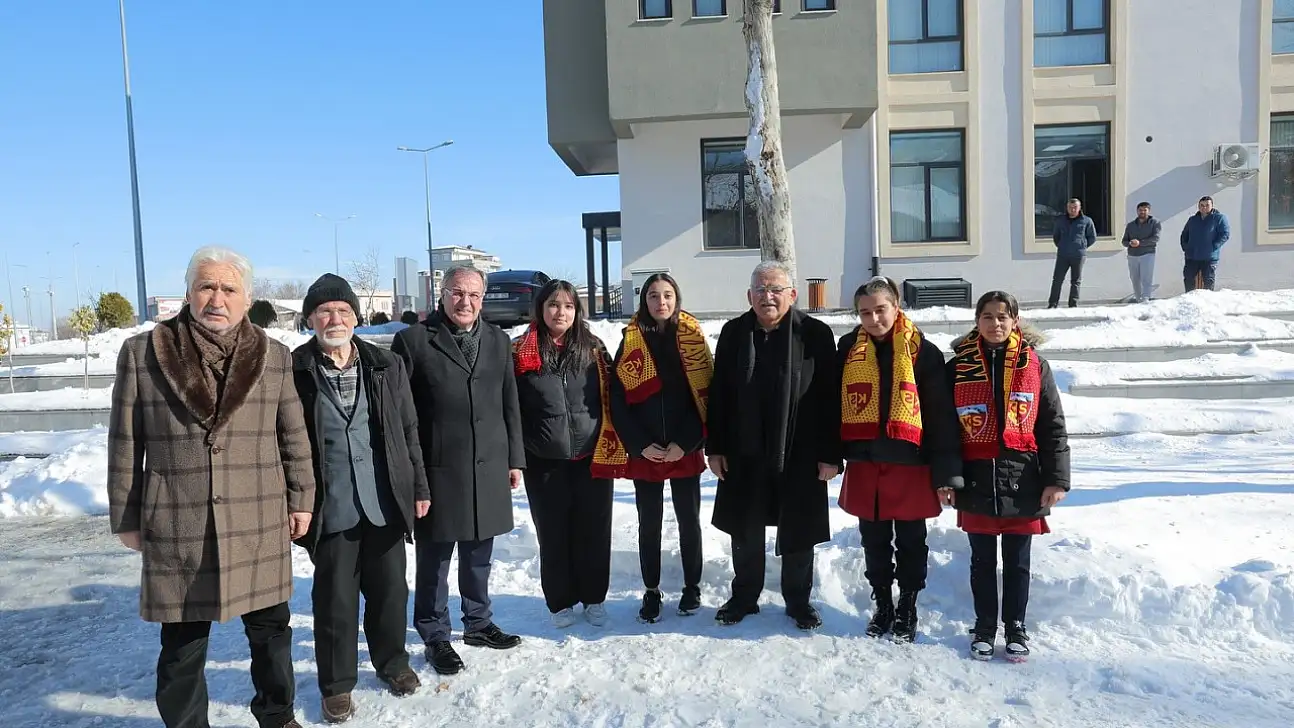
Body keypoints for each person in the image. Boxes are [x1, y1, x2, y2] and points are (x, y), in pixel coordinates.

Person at [107, 246, 315, 728]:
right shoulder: (143, 354)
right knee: (182, 645)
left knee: (271, 634)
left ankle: (277, 714)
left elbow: (293, 435)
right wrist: (127, 514)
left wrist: (302, 498)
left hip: (257, 517)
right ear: (188, 293)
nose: (216, 298)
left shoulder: (274, 356)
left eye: (228, 288)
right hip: (179, 520)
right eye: (206, 286)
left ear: (246, 299)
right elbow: (124, 442)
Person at [291, 274, 430, 722]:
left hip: (384, 497)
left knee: (391, 589)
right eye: (325, 312)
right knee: (335, 598)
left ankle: (392, 663)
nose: (335, 319)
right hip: (330, 503)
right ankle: (336, 685)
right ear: (311, 319)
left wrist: (419, 489)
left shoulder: (384, 364)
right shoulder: (294, 370)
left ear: (355, 316)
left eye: (343, 311)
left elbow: (408, 429)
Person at [391, 263, 525, 676]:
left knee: (479, 553)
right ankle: (434, 634)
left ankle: (478, 623)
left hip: (488, 464)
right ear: (442, 294)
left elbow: (510, 403)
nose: (465, 302)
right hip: (437, 469)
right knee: (435, 559)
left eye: (474, 295)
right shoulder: (412, 342)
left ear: (482, 299)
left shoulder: (499, 341)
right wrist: (413, 476)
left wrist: (514, 458)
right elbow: (401, 415)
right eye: (457, 293)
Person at [707, 261, 841, 630]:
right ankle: (744, 596)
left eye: (776, 289)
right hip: (743, 448)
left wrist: (831, 454)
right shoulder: (734, 333)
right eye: (760, 290)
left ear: (792, 295)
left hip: (800, 447)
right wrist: (715, 447)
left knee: (798, 528)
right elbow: (719, 394)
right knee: (745, 527)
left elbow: (830, 397)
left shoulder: (814, 334)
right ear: (749, 296)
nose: (768, 296)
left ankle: (798, 601)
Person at [945, 290, 1071, 661]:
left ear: (1015, 320)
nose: (995, 323)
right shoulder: (958, 366)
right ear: (977, 321)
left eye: (1003, 316)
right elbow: (947, 430)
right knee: (981, 561)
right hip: (975, 476)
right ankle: (984, 626)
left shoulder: (1035, 365)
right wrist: (949, 479)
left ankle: (1016, 626)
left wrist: (1056, 479)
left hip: (1024, 478)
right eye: (987, 316)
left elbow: (1052, 424)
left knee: (1018, 562)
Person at [836, 276, 962, 643]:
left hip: (911, 462)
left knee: (911, 540)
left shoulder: (924, 351)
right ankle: (883, 604)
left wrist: (946, 474)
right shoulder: (847, 348)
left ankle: (908, 603)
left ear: (896, 308)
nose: (873, 318)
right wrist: (831, 455)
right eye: (865, 312)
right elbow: (833, 404)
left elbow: (940, 418)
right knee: (873, 541)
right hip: (865, 460)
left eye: (880, 310)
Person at [513, 280, 622, 628]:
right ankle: (560, 601)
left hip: (592, 456)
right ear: (541, 308)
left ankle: (594, 597)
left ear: (577, 311)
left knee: (594, 529)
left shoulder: (593, 348)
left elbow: (613, 396)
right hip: (544, 459)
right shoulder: (520, 351)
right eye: (554, 305)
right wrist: (516, 455)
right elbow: (510, 408)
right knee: (553, 531)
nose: (561, 312)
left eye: (569, 306)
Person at [609, 273, 712, 623]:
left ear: (677, 298)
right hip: (647, 450)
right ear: (644, 301)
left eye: (668, 295)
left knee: (689, 521)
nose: (661, 302)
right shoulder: (631, 339)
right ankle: (651, 590)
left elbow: (705, 395)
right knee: (648, 523)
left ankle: (692, 586)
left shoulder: (693, 338)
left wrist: (685, 444)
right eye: (654, 296)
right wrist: (639, 445)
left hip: (684, 448)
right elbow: (618, 400)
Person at [1048, 198, 1097, 309]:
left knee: (1076, 280)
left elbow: (1092, 237)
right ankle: (1052, 304)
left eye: (1075, 207)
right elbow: (1056, 237)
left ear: (1079, 208)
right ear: (1067, 208)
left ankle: (1073, 304)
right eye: (1070, 207)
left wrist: (1082, 246)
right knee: (1057, 280)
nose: (1073, 209)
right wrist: (1062, 246)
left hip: (1078, 255)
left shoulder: (1086, 221)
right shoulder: (1060, 221)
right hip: (1063, 255)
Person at [1180, 195, 1230, 292]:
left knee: (1208, 280)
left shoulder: (1219, 218)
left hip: (1209, 257)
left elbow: (1225, 234)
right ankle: (1188, 299)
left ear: (1212, 206)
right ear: (1199, 207)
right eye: (1202, 205)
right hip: (1192, 256)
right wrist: (1186, 247)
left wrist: (1214, 246)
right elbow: (1184, 234)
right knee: (1188, 278)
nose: (1204, 207)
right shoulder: (1193, 220)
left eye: (1207, 205)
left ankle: (1208, 301)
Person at [1121, 202, 1161, 303]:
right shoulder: (1130, 225)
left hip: (1147, 254)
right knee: (1134, 278)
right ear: (1137, 211)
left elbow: (1155, 238)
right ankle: (1138, 299)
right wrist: (1130, 243)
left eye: (1145, 210)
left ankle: (1145, 299)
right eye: (1140, 210)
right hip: (1132, 255)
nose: (1142, 212)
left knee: (1146, 278)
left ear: (1149, 211)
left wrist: (1140, 243)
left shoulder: (1155, 223)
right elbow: (1124, 241)